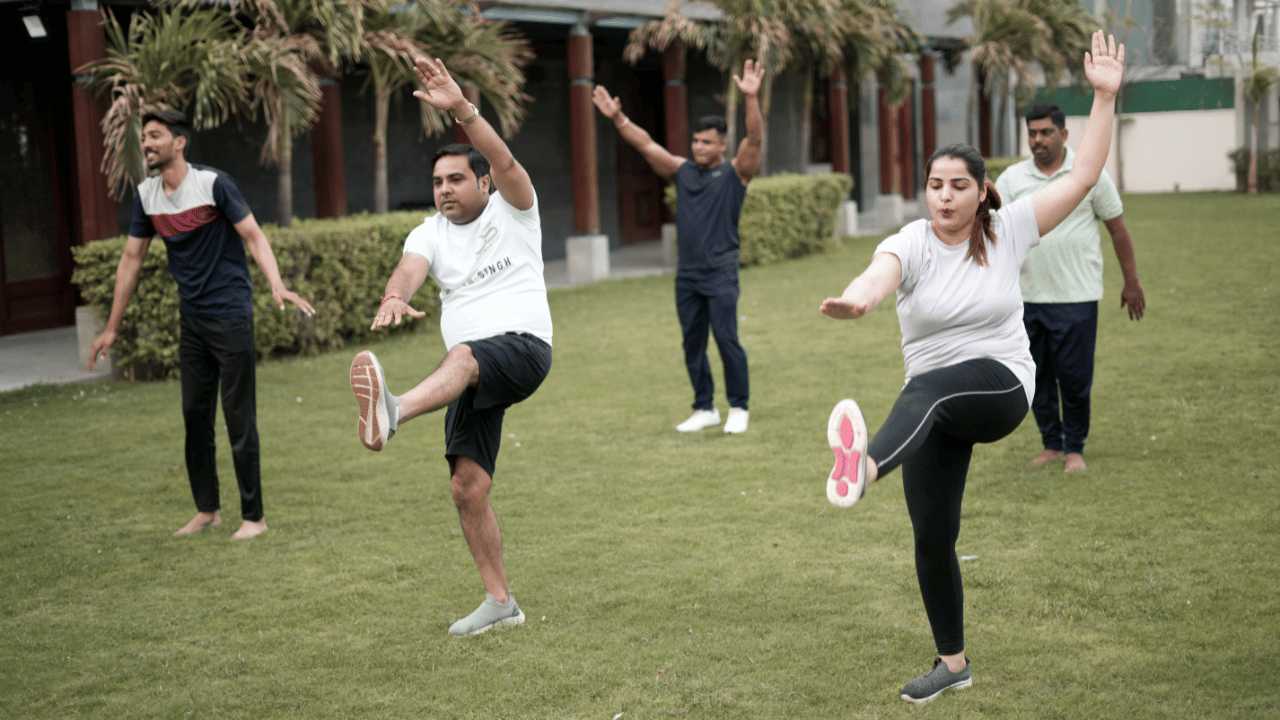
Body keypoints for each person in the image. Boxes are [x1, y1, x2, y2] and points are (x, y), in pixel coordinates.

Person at [818, 31, 1124, 704]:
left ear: (982, 191)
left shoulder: (1010, 229)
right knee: (933, 536)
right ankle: (953, 664)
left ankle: (863, 467)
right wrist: (858, 300)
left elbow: (1081, 177)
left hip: (1001, 386)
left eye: (959, 186)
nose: (945, 197)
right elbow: (878, 273)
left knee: (928, 388)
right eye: (935, 186)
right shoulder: (911, 242)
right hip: (930, 410)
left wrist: (1104, 98)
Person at [348, 56, 553, 637]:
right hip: (470, 373)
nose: (444, 190)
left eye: (456, 179)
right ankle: (501, 602)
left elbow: (505, 159)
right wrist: (394, 295)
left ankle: (394, 412)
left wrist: (462, 108)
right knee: (467, 487)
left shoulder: (516, 209)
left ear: (483, 182)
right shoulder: (429, 232)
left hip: (522, 349)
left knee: (462, 355)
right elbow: (411, 268)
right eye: (437, 182)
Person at [87, 108, 314, 540]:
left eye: (155, 136)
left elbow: (253, 235)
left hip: (230, 315)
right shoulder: (147, 195)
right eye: (144, 137)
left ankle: (254, 517)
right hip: (191, 319)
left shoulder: (213, 184)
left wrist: (277, 284)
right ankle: (207, 510)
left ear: (179, 142)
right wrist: (111, 327)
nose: (146, 143)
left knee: (238, 416)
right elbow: (131, 259)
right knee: (195, 416)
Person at [592, 59, 764, 434]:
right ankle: (705, 408)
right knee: (692, 343)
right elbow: (646, 145)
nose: (699, 147)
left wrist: (750, 98)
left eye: (707, 142)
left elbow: (754, 140)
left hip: (721, 270)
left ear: (722, 145)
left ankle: (738, 407)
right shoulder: (682, 171)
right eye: (695, 141)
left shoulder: (735, 173)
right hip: (687, 274)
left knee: (727, 339)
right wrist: (618, 118)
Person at [996, 103, 1145, 474]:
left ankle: (1074, 448)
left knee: (1074, 378)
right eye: (1032, 133)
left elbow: (1118, 230)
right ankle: (1052, 444)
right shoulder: (1012, 179)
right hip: (1025, 297)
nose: (1038, 139)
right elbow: (995, 232)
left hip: (1076, 296)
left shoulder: (1088, 174)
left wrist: (1131, 282)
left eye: (1046, 132)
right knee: (1035, 376)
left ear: (1063, 134)